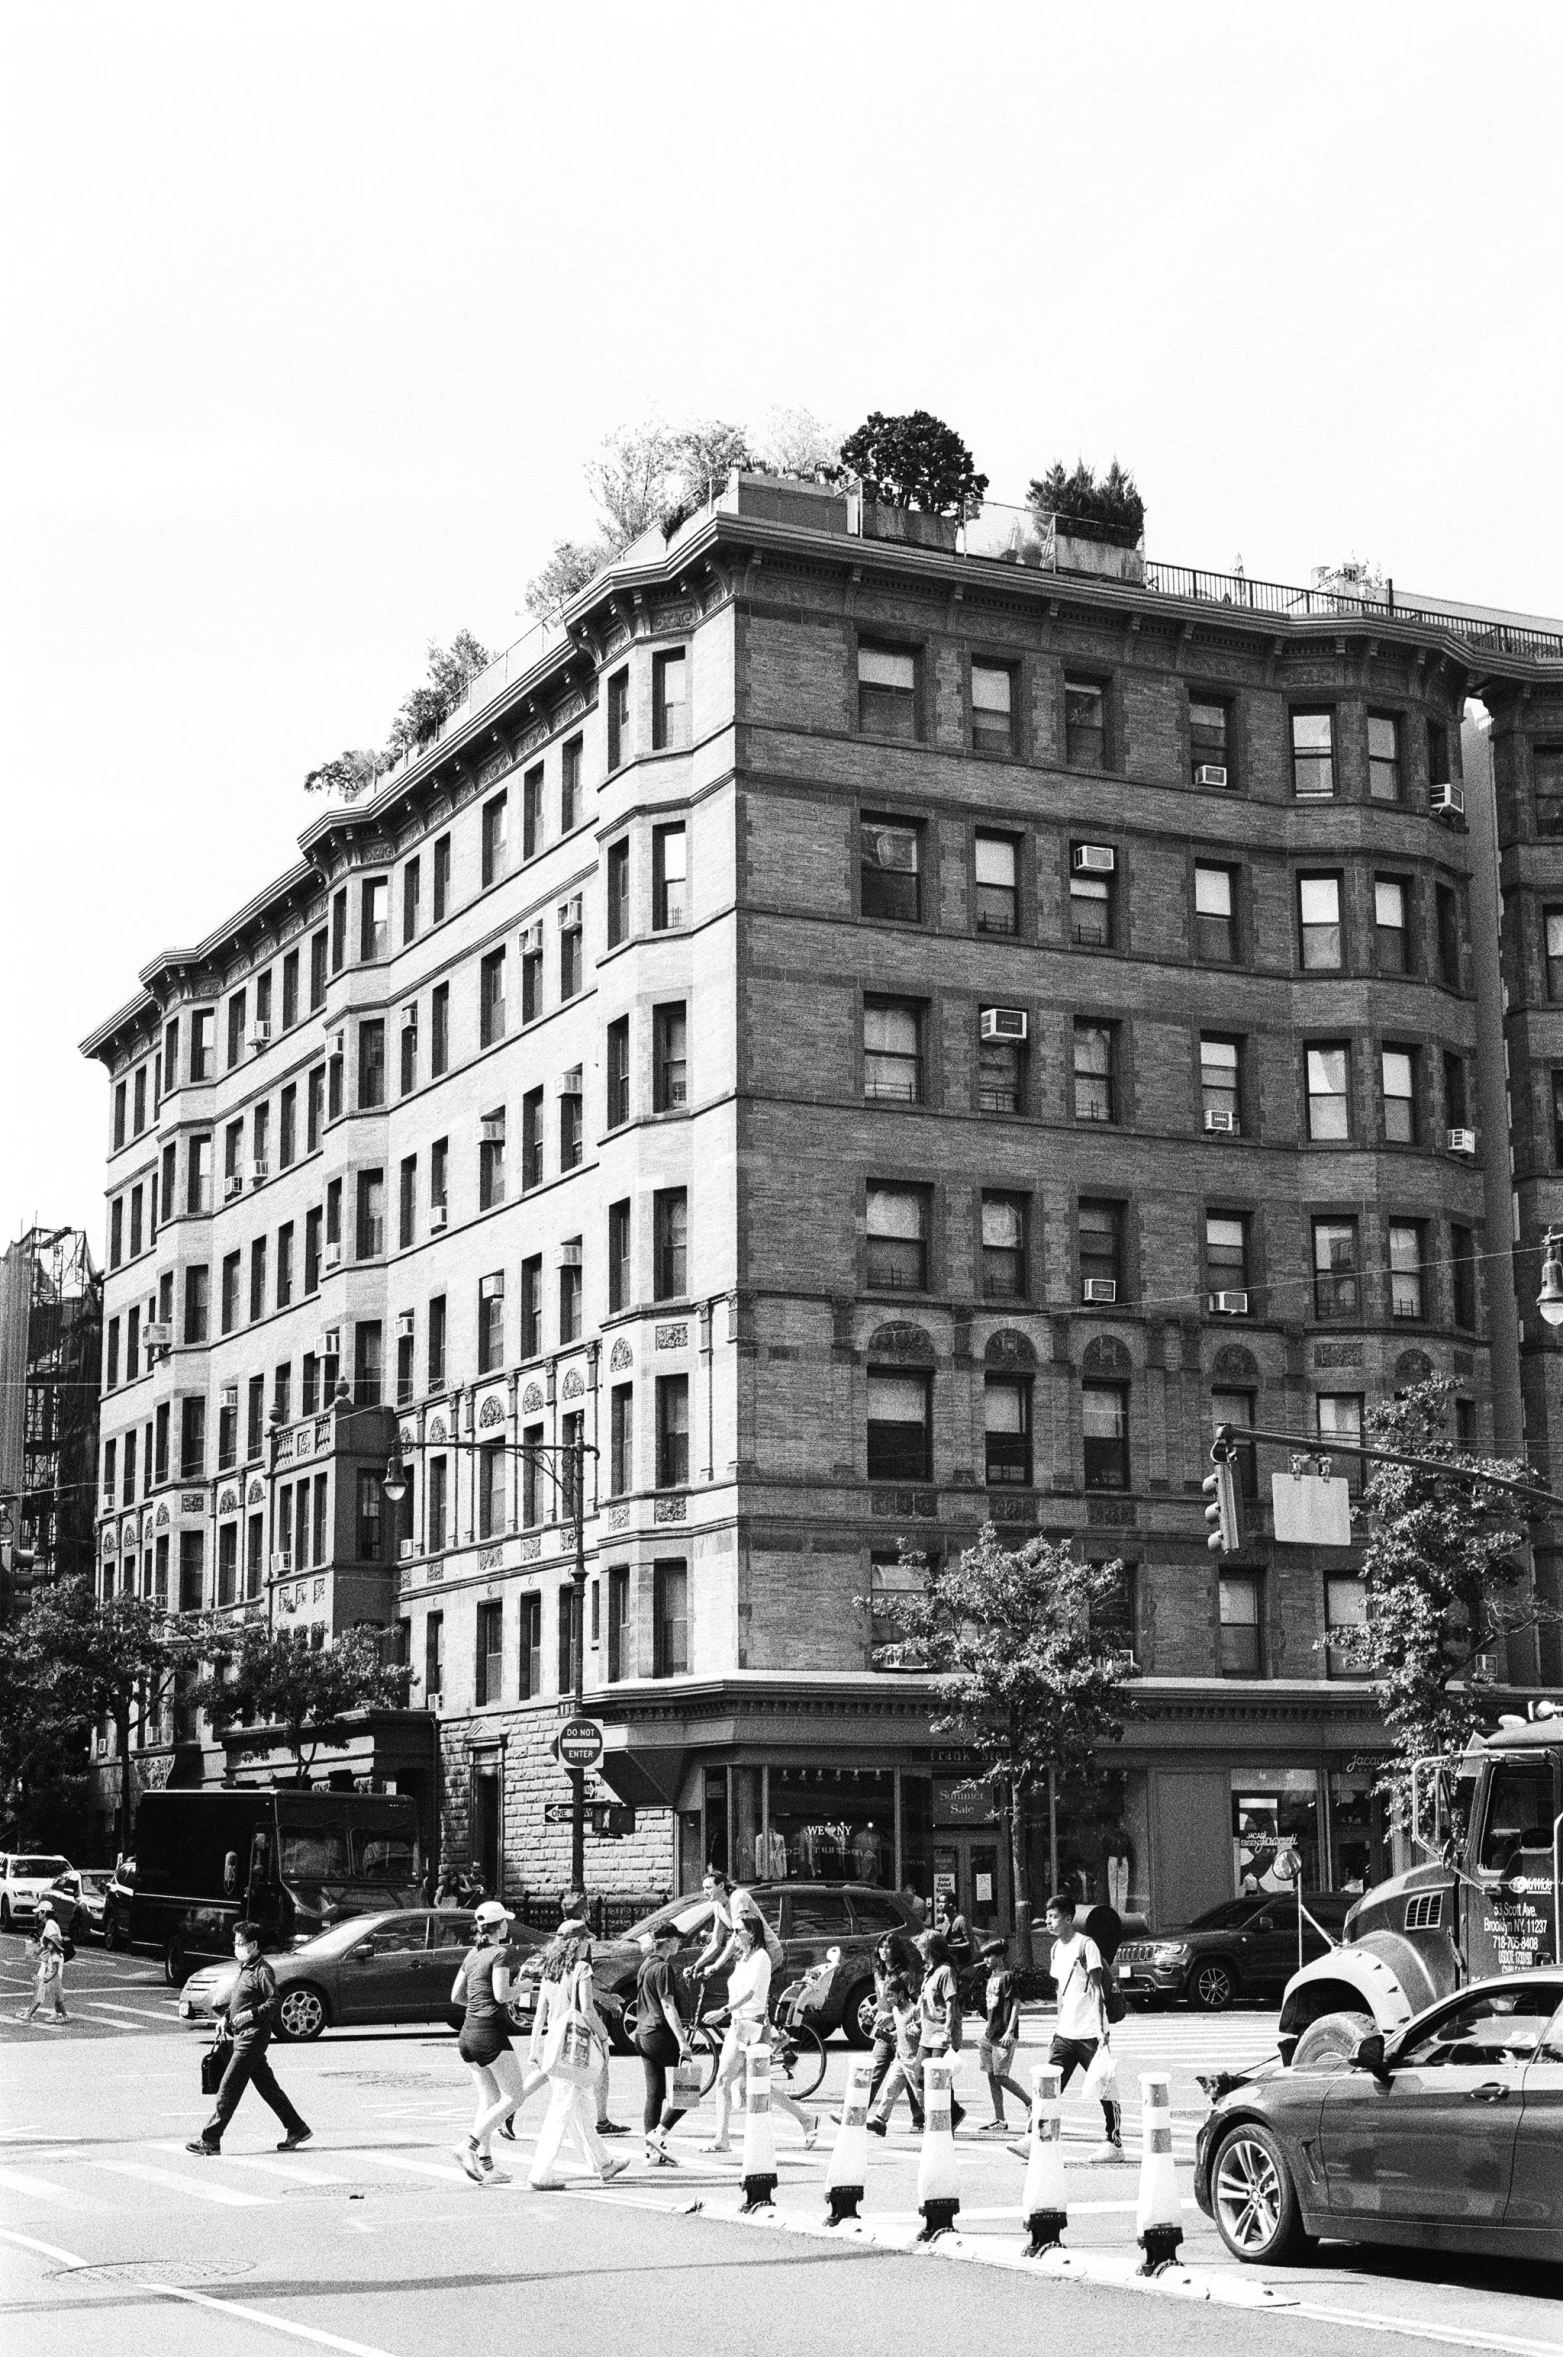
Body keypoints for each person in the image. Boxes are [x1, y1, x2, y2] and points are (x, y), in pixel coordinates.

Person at [186, 1921, 310, 2157]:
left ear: (253, 1945)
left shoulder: (263, 1970)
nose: (236, 1947)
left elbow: (274, 2002)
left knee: (228, 2088)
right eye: (235, 1943)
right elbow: (241, 1999)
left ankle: (210, 2141)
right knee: (267, 2087)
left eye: (240, 1943)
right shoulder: (246, 1967)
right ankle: (297, 2128)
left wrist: (250, 2015)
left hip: (252, 2038)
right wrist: (226, 2017)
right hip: (242, 2035)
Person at [702, 1916, 817, 2154]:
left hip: (752, 2026)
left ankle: (722, 2138)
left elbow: (751, 1993)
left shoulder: (760, 1957)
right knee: (750, 2085)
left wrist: (722, 2011)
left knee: (726, 2080)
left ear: (752, 1933)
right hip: (739, 2023)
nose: (733, 1935)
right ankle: (806, 2119)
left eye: (738, 1931)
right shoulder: (742, 1958)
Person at [527, 1924, 629, 2189]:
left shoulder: (550, 1971)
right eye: (586, 1940)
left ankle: (604, 2163)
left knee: (581, 2108)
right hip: (574, 2047)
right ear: (578, 1942)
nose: (588, 1945)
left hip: (554, 2044)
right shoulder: (582, 1969)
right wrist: (604, 2037)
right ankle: (541, 2172)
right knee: (560, 2111)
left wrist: (533, 2049)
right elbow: (587, 2010)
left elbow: (540, 2015)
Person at [451, 1899, 542, 2185]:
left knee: (489, 2100)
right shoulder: (500, 1953)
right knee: (514, 2097)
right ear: (499, 1925)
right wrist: (524, 1987)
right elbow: (502, 1994)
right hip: (490, 2033)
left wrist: (478, 2005)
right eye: (505, 1922)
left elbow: (456, 1996)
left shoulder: (472, 1955)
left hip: (468, 2033)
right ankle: (469, 2145)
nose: (507, 1925)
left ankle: (487, 2167)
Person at [1028, 1890, 1122, 2163]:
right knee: (1048, 2084)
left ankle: (1114, 2142)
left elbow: (1095, 1989)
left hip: (1090, 2032)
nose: (1048, 1921)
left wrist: (1100, 2031)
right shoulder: (1056, 1948)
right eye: (1047, 1917)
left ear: (1068, 1918)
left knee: (1105, 2086)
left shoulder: (1086, 1945)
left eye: (1054, 1916)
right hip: (1065, 2033)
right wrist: (1057, 2026)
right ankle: (1035, 2135)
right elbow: (1060, 1991)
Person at [633, 1931, 693, 2165]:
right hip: (660, 2033)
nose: (679, 1942)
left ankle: (651, 2153)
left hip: (643, 2034)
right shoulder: (664, 1968)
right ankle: (658, 2135)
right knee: (688, 2090)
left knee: (655, 2094)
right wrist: (683, 2041)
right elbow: (668, 2005)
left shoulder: (647, 1964)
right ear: (666, 1942)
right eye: (677, 1939)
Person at [864, 1931, 924, 2129]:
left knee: (908, 2075)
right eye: (881, 1946)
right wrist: (872, 2009)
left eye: (888, 1947)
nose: (884, 1950)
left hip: (902, 2031)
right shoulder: (879, 1973)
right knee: (875, 2069)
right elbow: (881, 1997)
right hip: (884, 2032)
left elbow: (914, 2002)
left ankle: (921, 2117)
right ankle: (860, 2111)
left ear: (896, 1950)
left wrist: (897, 2017)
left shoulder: (904, 1975)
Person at [913, 1929, 966, 2130]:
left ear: (931, 1950)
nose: (920, 1953)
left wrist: (948, 2032)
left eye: (922, 1949)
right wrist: (917, 2022)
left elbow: (951, 2003)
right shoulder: (931, 1972)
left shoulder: (945, 1971)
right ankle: (953, 2111)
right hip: (927, 2032)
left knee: (939, 2077)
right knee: (920, 2075)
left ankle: (946, 2118)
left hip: (940, 2032)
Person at [975, 1936, 1028, 2132]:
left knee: (1001, 2076)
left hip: (1003, 2034)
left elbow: (1015, 2004)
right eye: (985, 1956)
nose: (986, 1959)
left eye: (990, 1955)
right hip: (990, 2033)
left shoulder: (1008, 1976)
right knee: (991, 2075)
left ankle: (1030, 2103)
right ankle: (1000, 2119)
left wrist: (1010, 2030)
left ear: (1001, 1956)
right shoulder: (990, 1977)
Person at [18, 1906, 68, 2025]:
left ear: (44, 1912)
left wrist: (40, 1949)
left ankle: (32, 2013)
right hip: (49, 1960)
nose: (37, 1915)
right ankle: (55, 2013)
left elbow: (53, 1941)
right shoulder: (51, 1924)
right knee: (48, 1987)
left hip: (50, 1961)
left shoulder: (50, 1924)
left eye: (39, 1912)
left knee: (48, 1987)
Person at [937, 1890, 973, 1973]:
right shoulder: (945, 1920)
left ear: (951, 1904)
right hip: (948, 1958)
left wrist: (951, 1947)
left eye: (943, 1902)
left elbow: (970, 1943)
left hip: (960, 1960)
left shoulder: (961, 1920)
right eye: (939, 1902)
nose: (940, 1905)